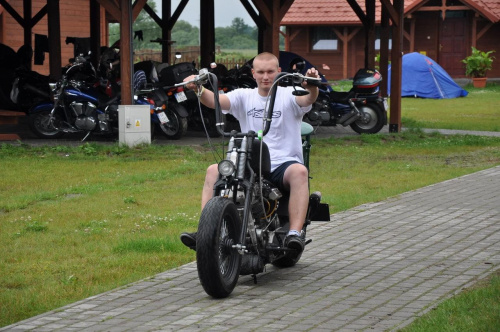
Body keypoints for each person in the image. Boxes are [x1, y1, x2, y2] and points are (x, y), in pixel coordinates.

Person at [180, 52, 319, 255]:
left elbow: (308, 99)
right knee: (212, 171)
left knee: (299, 172)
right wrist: (198, 88)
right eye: (261, 72)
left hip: (282, 163)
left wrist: (312, 86)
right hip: (249, 162)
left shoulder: (289, 94)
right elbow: (215, 101)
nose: (266, 77)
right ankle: (206, 231)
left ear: (279, 72)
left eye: (270, 72)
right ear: (253, 73)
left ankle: (295, 233)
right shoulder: (244, 96)